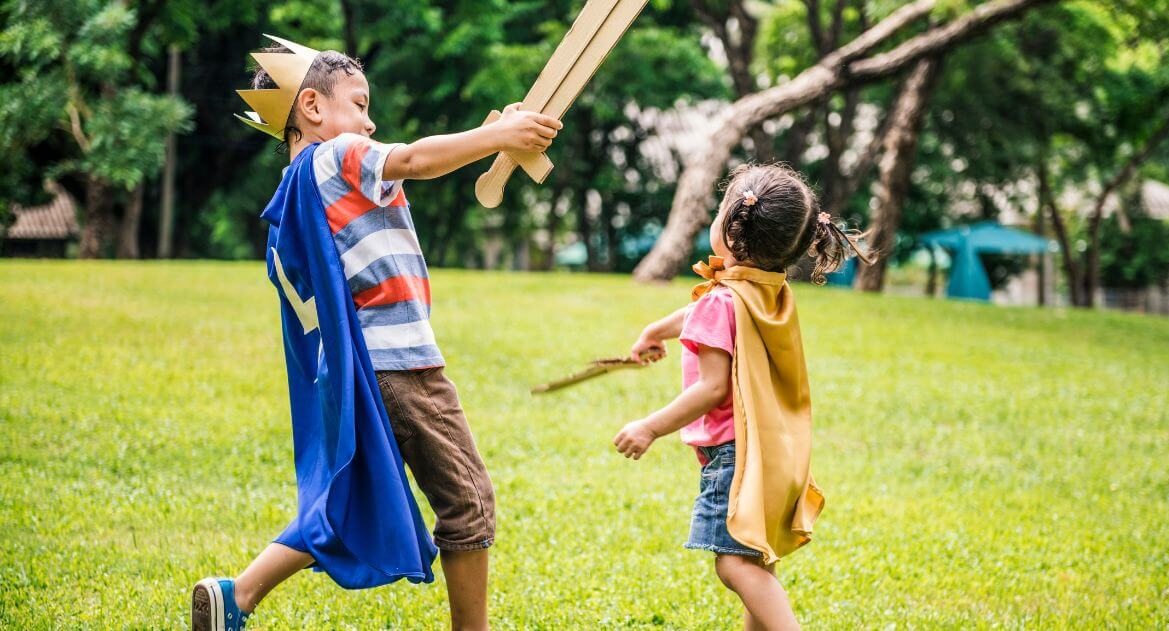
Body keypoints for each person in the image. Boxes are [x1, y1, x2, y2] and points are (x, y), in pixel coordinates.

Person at [192, 36, 562, 631]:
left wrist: (492, 135)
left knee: (351, 499)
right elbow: (414, 159)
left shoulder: (299, 184)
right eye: (360, 104)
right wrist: (496, 138)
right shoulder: (336, 153)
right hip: (401, 365)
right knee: (469, 502)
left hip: (362, 372)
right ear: (313, 108)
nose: (370, 121)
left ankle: (236, 595)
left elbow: (418, 166)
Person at [613, 163, 869, 630]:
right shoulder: (770, 290)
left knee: (734, 565)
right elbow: (710, 306)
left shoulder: (723, 300)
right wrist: (656, 331)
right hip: (772, 450)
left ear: (731, 231)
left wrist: (649, 427)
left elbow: (712, 388)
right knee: (758, 561)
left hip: (735, 457)